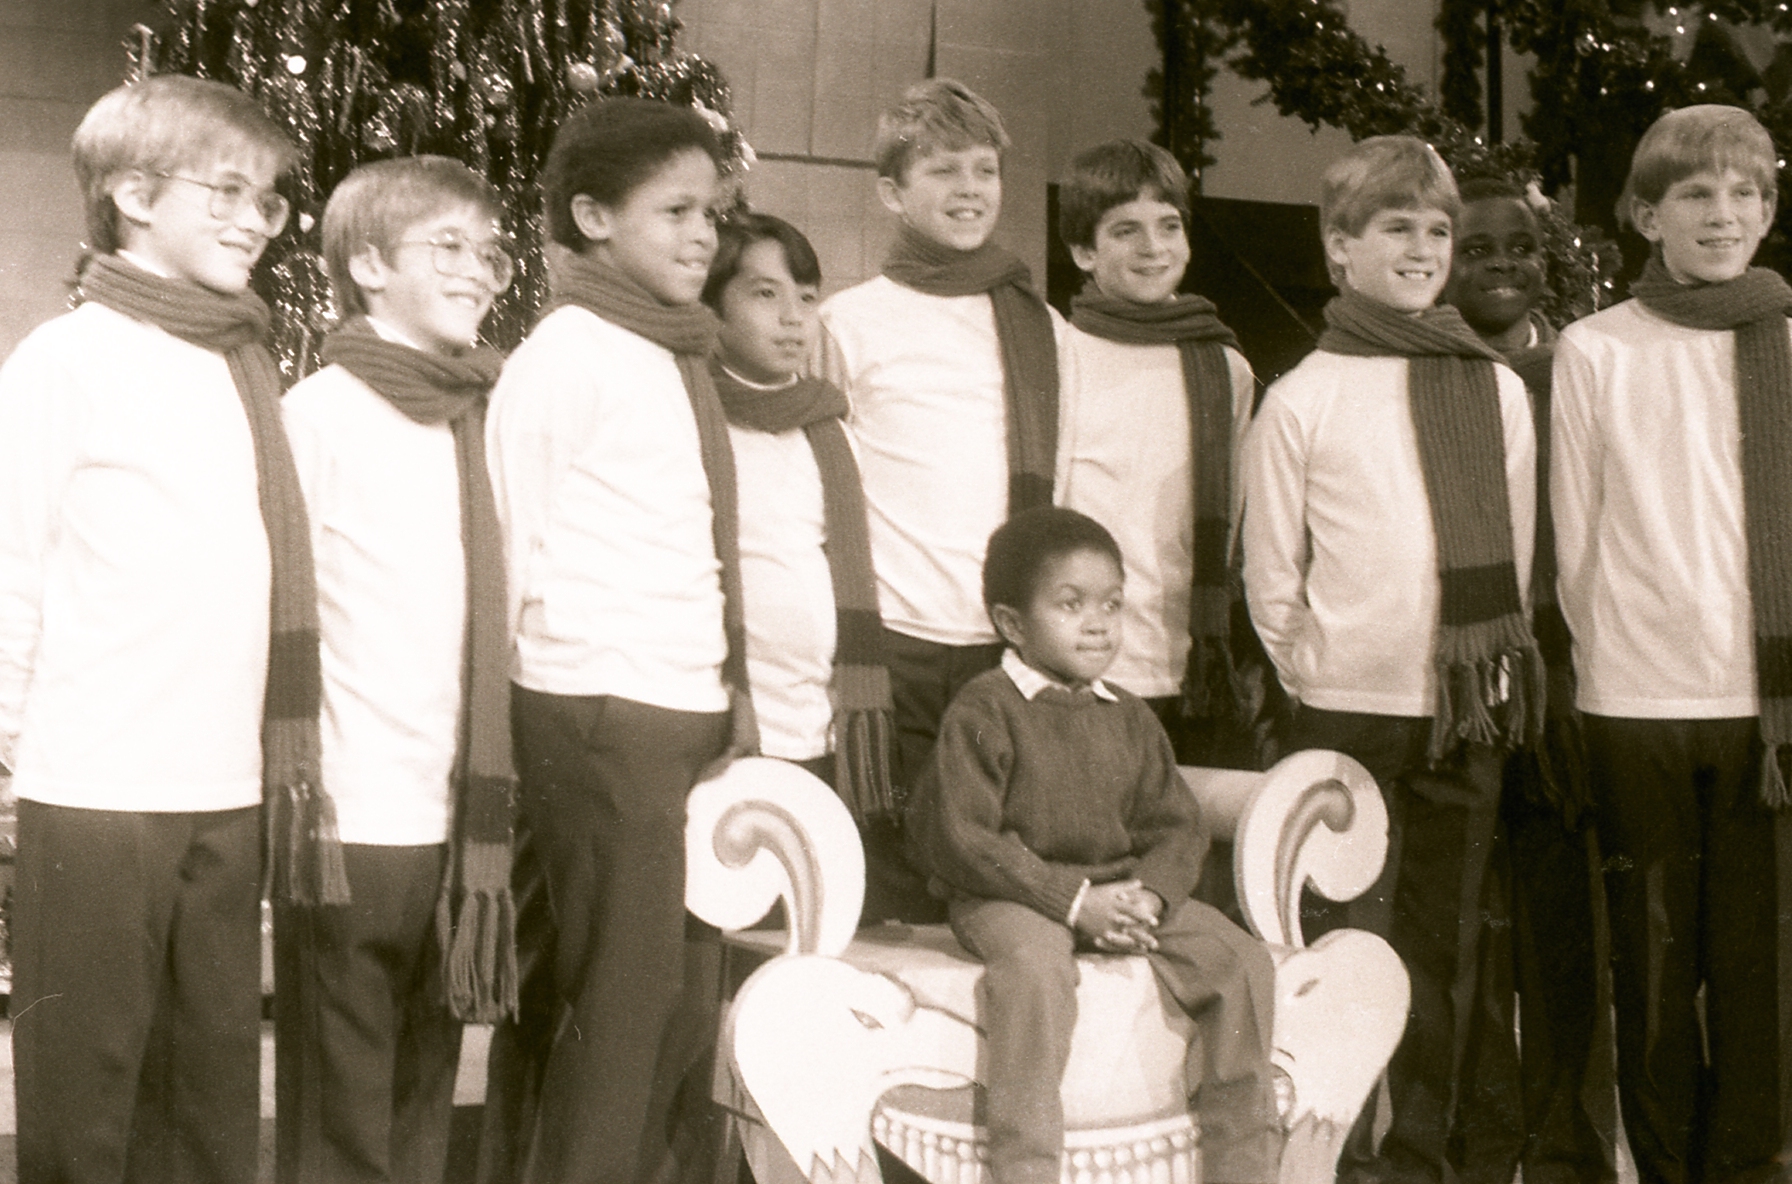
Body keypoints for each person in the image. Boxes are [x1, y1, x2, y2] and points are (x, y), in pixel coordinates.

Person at [0, 75, 297, 1184]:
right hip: (96, 789)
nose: (254, 219)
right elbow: (9, 562)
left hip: (224, 788)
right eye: (226, 190)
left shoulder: (243, 364)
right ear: (131, 194)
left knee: (209, 1105)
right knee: (87, 1109)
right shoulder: (65, 359)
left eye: (267, 199)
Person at [1240, 135, 1539, 1184]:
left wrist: (1478, 676)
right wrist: (1319, 669)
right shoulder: (1302, 395)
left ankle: (1416, 1158)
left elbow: (1516, 553)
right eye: (1395, 226)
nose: (1421, 247)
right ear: (1339, 247)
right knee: (1339, 949)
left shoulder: (1494, 391)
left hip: (1461, 712)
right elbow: (1271, 574)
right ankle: (1329, 1153)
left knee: (1442, 950)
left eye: (1436, 229)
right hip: (1344, 711)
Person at [483, 95, 750, 1184]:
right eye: (674, 211)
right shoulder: (567, 355)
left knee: (666, 1004)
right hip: (599, 708)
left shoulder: (670, 352)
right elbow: (508, 544)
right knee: (622, 1004)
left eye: (712, 213)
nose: (703, 236)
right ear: (592, 217)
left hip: (678, 708)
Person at [1552, 103, 1792, 1184]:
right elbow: (1574, 531)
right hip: (1636, 699)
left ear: (1769, 210)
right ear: (1647, 216)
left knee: (1757, 962)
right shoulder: (1597, 348)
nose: (1723, 212)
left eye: (1746, 192)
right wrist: (1617, 653)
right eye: (1696, 193)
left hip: (1765, 709)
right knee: (1650, 960)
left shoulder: (1787, 345)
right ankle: (1663, 1166)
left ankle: (1746, 1163)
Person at [908, 505, 1280, 1184]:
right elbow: (965, 837)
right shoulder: (984, 707)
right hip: (1008, 896)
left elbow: (1177, 826)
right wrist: (1075, 902)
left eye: (1112, 603)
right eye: (1071, 604)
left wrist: (1151, 897)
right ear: (1012, 624)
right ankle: (1025, 1171)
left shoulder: (1129, 716)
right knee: (1035, 974)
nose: (1099, 622)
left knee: (1241, 960)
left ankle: (1244, 1170)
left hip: (1119, 893)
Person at [273, 155, 518, 1184]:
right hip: (352, 814)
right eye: (447, 246)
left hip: (458, 814)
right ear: (368, 265)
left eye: (490, 253)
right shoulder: (318, 413)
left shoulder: (483, 416)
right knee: (341, 1096)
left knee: (427, 1080)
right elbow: (279, 604)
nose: (476, 271)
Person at [819, 77, 1061, 923]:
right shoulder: (848, 322)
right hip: (894, 641)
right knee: (888, 880)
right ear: (892, 192)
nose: (970, 189)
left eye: (985, 170)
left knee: (990, 873)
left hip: (1006, 641)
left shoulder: (1039, 327)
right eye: (944, 170)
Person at [1443, 175, 1618, 1184]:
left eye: (1518, 246)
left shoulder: (1576, 374)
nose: (1502, 264)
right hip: (1454, 686)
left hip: (1560, 679)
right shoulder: (1422, 374)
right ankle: (1474, 1146)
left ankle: (1568, 1151)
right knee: (1461, 924)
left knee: (1561, 932)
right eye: (1476, 249)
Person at [1052, 138, 1256, 763]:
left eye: (1169, 225)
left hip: (1188, 662)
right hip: (1079, 661)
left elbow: (1236, 523)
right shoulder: (1058, 354)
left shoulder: (1226, 368)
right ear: (1084, 251)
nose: (1154, 247)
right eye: (1126, 230)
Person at [700, 211, 895, 832]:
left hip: (818, 722)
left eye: (807, 299)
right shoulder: (694, 419)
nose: (793, 317)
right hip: (728, 721)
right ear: (712, 307)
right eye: (765, 294)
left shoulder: (830, 429)